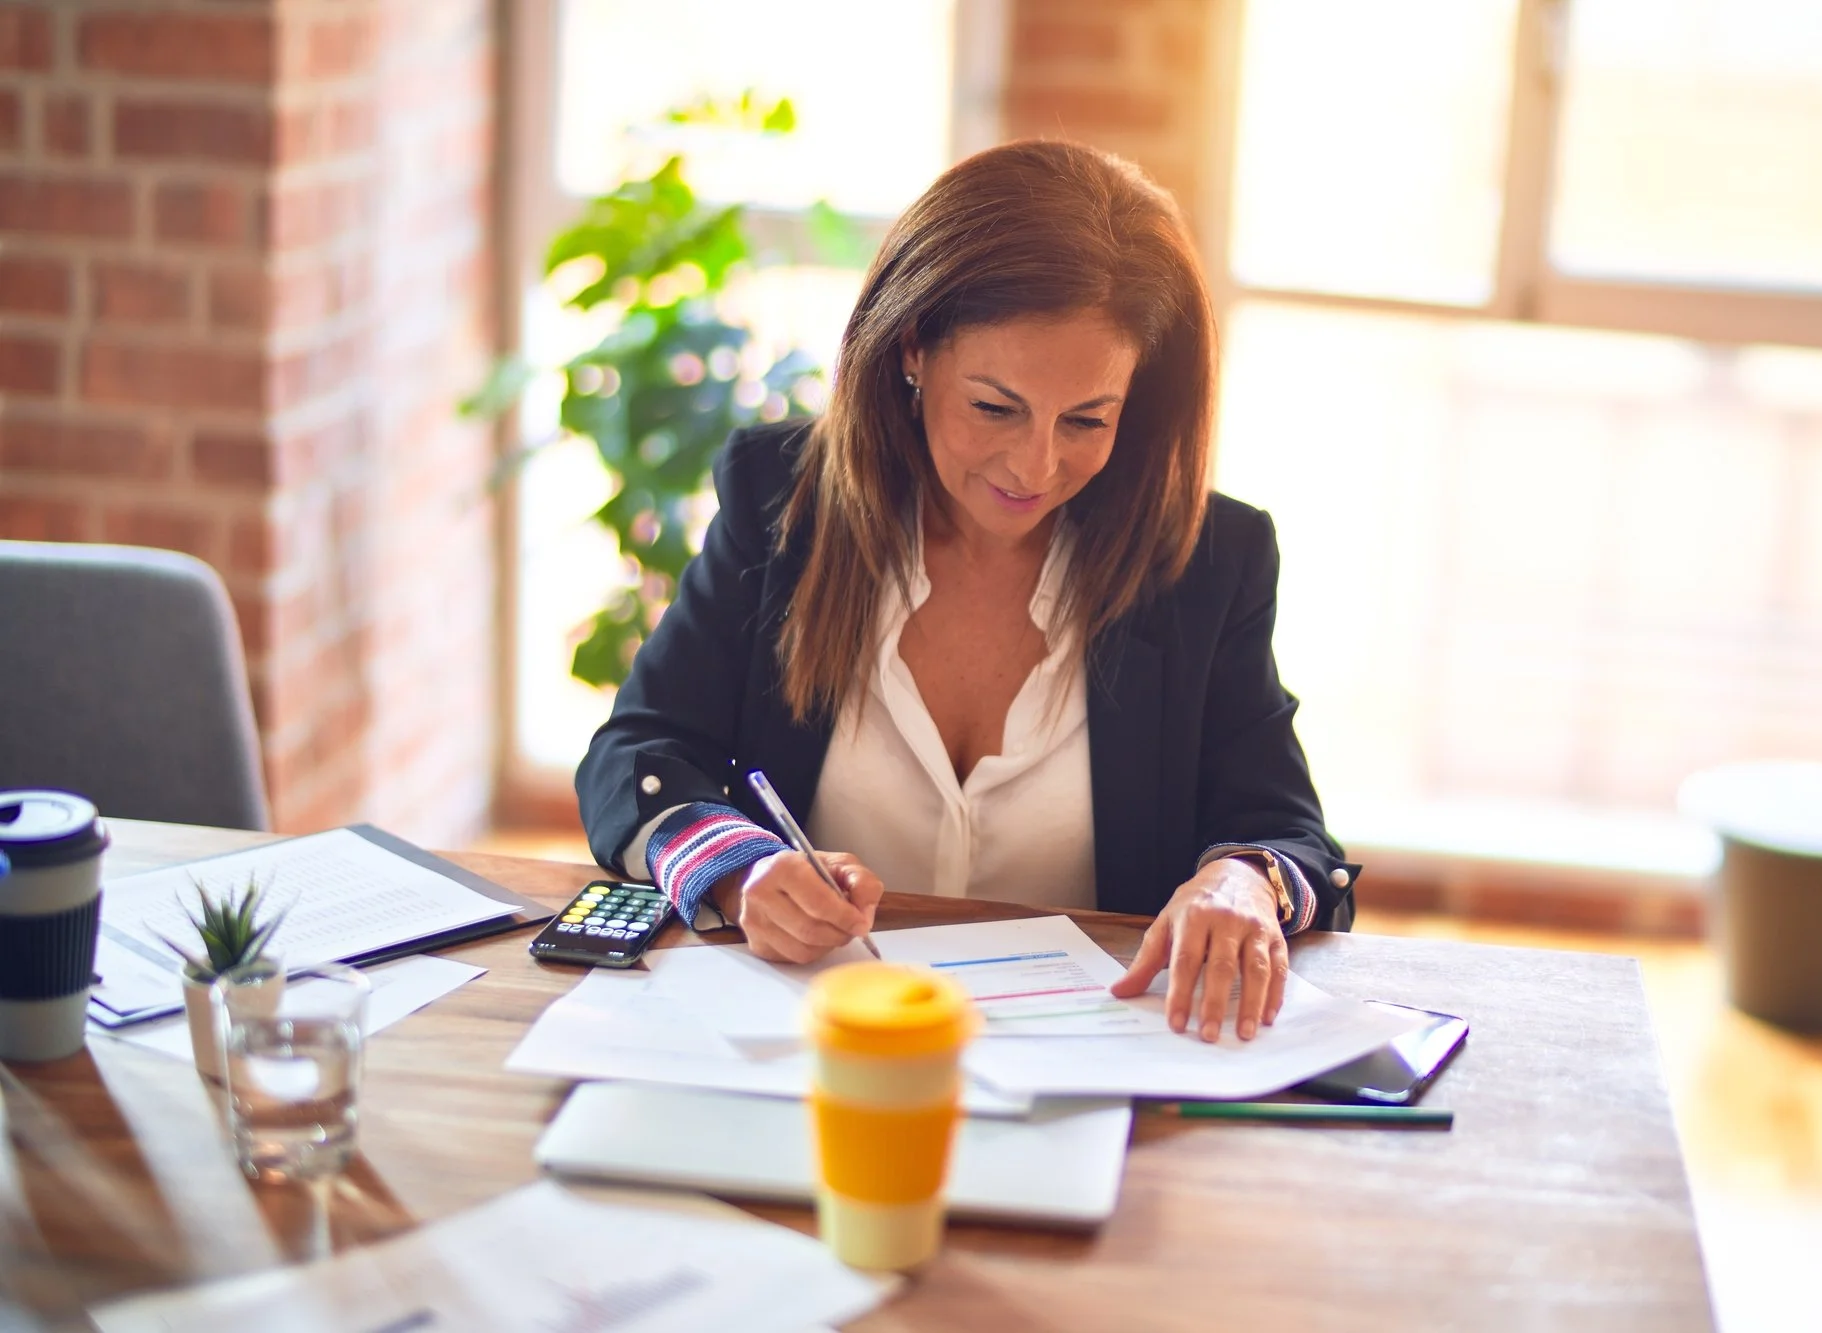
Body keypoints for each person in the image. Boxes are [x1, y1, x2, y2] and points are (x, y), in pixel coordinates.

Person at [577, 139, 1357, 1044]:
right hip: (815, 1046)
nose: (1036, 466)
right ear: (911, 348)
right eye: (996, 406)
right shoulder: (781, 499)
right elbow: (638, 748)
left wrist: (1243, 881)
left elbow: (1287, 832)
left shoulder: (1207, 560)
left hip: (1090, 1070)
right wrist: (736, 866)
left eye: (1087, 420)